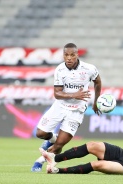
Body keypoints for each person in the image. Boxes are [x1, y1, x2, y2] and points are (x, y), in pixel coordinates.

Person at [31, 43, 102, 172]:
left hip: (76, 110)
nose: (69, 58)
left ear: (77, 55)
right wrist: (75, 94)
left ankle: (39, 162)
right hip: (60, 106)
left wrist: (96, 101)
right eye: (66, 55)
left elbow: (97, 82)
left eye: (72, 55)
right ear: (63, 55)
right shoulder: (59, 70)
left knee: (59, 145)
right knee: (40, 133)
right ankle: (52, 138)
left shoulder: (89, 68)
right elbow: (57, 94)